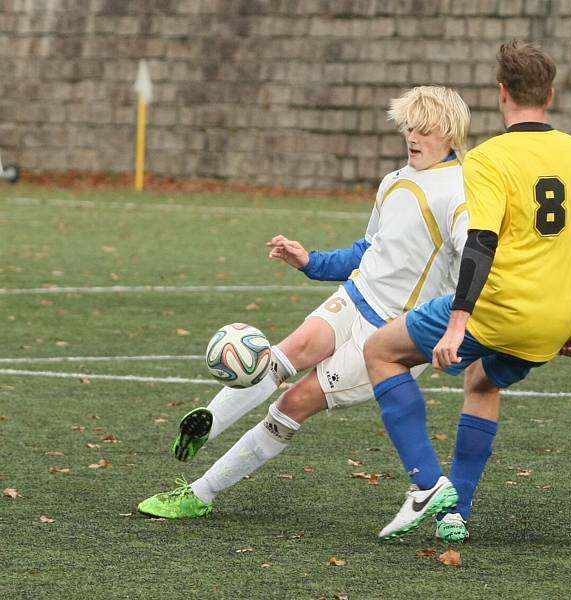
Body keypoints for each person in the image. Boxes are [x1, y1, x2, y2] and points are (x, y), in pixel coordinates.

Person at [137, 85, 472, 520]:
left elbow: (478, 265)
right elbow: (368, 250)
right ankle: (207, 425)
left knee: (291, 404)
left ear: (449, 131)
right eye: (408, 127)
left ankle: (199, 494)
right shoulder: (395, 181)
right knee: (281, 356)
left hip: (392, 333)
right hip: (355, 296)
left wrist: (458, 328)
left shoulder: (461, 192)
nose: (412, 137)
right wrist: (310, 261)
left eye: (424, 130)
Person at [364, 40, 571, 542]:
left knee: (380, 352)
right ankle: (457, 513)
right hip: (553, 324)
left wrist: (458, 322)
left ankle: (427, 483)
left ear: (502, 93)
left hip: (497, 312)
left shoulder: (488, 158)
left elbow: (480, 243)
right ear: (550, 92)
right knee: (481, 382)